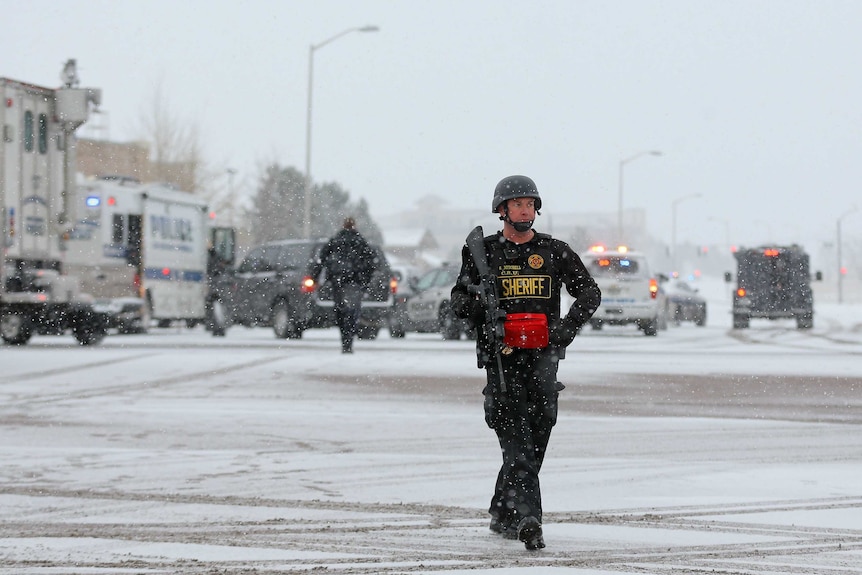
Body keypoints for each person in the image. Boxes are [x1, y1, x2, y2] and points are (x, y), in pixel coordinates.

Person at [450, 175, 601, 550]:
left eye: (530, 204)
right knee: (516, 437)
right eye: (517, 204)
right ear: (502, 210)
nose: (524, 210)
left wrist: (563, 331)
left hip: (543, 359)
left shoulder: (553, 251)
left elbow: (589, 292)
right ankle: (528, 518)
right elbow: (457, 301)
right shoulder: (482, 252)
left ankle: (503, 508)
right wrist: (480, 306)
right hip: (502, 360)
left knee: (539, 431)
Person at [312, 217, 377, 353]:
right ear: (354, 226)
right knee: (353, 312)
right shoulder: (360, 242)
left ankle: (345, 339)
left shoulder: (336, 240)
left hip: (338, 281)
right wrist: (365, 280)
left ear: (343, 225)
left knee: (341, 311)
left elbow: (322, 258)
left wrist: (315, 277)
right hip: (355, 282)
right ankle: (349, 339)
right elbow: (371, 261)